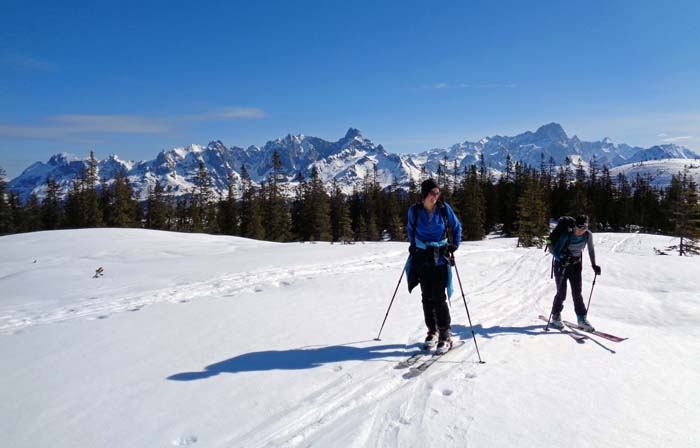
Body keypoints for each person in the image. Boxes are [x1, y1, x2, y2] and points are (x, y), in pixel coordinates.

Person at [406, 179, 462, 354]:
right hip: (422, 258)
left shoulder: (444, 210)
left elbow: (457, 226)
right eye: (432, 193)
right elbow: (410, 229)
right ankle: (432, 331)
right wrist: (412, 244)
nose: (435, 197)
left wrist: (455, 244)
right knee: (426, 297)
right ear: (424, 194)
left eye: (438, 193)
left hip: (440, 258)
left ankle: (445, 335)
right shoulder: (414, 211)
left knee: (438, 297)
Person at [550, 215, 601, 331]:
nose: (580, 231)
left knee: (577, 293)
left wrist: (594, 265)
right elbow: (554, 250)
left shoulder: (588, 235)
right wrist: (562, 259)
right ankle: (555, 315)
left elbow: (591, 249)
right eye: (578, 228)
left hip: (576, 266)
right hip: (561, 265)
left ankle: (581, 319)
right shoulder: (568, 234)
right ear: (575, 226)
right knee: (561, 292)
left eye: (583, 229)